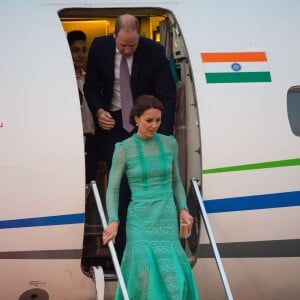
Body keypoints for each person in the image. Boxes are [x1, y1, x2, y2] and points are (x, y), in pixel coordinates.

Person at [84, 14, 176, 260]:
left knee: (142, 188)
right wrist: (98, 110)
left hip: (144, 124)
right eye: (122, 45)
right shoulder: (100, 47)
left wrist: (160, 136)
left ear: (140, 37)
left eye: (132, 46)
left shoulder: (154, 51)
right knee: (120, 188)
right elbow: (90, 87)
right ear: (114, 36)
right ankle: (124, 255)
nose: (127, 50)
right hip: (112, 125)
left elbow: (167, 95)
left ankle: (148, 250)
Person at [103, 95, 199, 299]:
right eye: (149, 120)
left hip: (165, 216)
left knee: (173, 278)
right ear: (136, 118)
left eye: (158, 120)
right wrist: (113, 220)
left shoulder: (170, 143)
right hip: (139, 220)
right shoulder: (123, 149)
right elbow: (112, 188)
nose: (154, 125)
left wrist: (183, 208)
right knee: (142, 277)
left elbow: (176, 180)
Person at [67, 30, 98, 185]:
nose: (81, 55)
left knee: (90, 185)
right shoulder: (63, 81)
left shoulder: (90, 79)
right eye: (75, 50)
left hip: (91, 141)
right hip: (72, 142)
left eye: (84, 50)